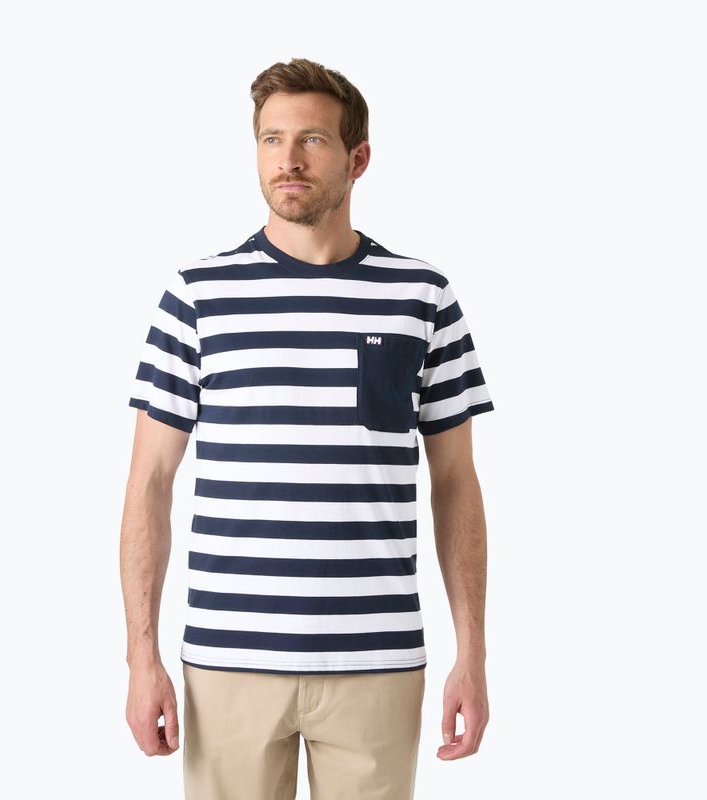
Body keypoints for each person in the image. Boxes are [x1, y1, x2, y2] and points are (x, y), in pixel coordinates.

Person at [120, 57, 495, 799]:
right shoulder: (197, 295)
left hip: (378, 662)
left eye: (312, 140)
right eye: (271, 139)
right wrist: (141, 658)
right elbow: (149, 484)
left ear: (358, 158)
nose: (287, 159)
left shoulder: (423, 296)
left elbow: (456, 482)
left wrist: (473, 654)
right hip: (227, 662)